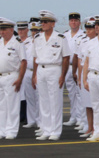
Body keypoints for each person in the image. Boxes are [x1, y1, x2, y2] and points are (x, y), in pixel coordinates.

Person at [31, 10, 71, 141]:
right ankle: (46, 129)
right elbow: (35, 57)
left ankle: (55, 130)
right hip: (41, 69)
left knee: (55, 101)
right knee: (43, 101)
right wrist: (34, 74)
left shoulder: (60, 38)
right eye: (41, 21)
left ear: (53, 23)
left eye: (46, 21)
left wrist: (62, 76)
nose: (43, 24)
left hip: (55, 69)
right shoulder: (37, 38)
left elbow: (66, 58)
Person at [0, 18, 27, 139]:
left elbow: (24, 61)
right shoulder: (0, 42)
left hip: (12, 76)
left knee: (12, 105)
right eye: (1, 30)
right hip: (1, 76)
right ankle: (2, 129)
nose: (2, 32)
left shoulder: (17, 43)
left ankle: (11, 130)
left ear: (11, 29)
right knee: (2, 106)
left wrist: (20, 79)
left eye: (4, 29)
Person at [75, 20, 98, 138]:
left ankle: (97, 128)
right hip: (85, 74)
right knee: (87, 104)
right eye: (87, 28)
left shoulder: (98, 42)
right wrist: (80, 78)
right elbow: (80, 61)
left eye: (90, 28)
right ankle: (89, 127)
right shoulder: (83, 42)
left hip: (95, 73)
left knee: (96, 104)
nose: (88, 31)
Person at [63, 12, 86, 128]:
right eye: (71, 21)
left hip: (78, 66)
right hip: (67, 66)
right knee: (71, 94)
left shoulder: (83, 35)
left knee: (79, 94)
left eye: (76, 21)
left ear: (79, 22)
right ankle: (73, 116)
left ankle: (80, 118)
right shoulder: (65, 35)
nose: (73, 22)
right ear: (69, 22)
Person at [17, 21, 39, 129]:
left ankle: (40, 120)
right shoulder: (17, 42)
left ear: (26, 30)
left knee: (38, 97)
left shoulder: (32, 41)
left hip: (34, 71)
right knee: (29, 97)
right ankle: (31, 120)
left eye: (23, 29)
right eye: (19, 29)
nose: (21, 31)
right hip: (23, 72)